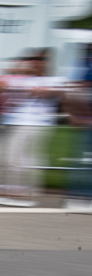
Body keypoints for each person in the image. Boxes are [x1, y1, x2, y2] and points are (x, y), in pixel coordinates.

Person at [0, 49, 68, 207]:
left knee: (17, 159)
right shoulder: (22, 79)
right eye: (31, 60)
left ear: (47, 63)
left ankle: (23, 195)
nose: (34, 63)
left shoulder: (55, 80)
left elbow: (53, 93)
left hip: (35, 123)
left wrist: (39, 91)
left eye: (39, 60)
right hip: (11, 122)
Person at [65, 46, 92, 211]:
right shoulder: (85, 66)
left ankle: (79, 196)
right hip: (87, 120)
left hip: (85, 118)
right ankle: (79, 196)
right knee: (84, 160)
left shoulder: (84, 65)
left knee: (84, 160)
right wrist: (76, 114)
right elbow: (76, 89)